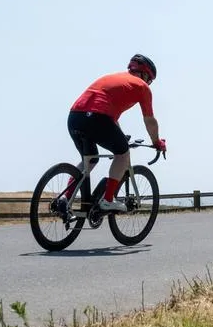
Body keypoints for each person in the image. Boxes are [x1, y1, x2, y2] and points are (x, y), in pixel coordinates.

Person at [65, 54, 167, 213]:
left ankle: (65, 199)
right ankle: (107, 200)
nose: (149, 83)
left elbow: (110, 119)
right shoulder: (142, 87)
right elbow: (149, 120)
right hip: (98, 118)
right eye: (150, 80)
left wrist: (119, 135)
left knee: (89, 161)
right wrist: (156, 142)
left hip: (75, 117)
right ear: (145, 74)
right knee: (123, 154)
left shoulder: (114, 78)